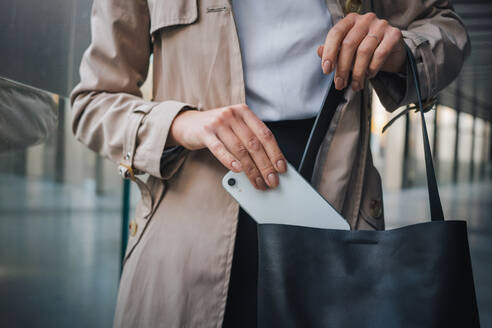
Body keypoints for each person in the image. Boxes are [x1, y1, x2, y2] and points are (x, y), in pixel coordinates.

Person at [70, 0, 470, 326]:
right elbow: (92, 104)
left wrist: (398, 47)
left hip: (335, 214)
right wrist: (181, 123)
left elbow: (445, 29)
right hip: (184, 239)